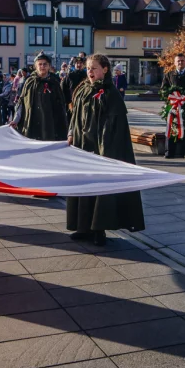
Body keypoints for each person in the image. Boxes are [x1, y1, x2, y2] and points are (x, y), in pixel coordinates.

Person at [66, 54, 145, 246]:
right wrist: (71, 133)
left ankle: (98, 230)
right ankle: (83, 227)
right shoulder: (83, 89)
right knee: (83, 187)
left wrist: (104, 149)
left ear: (105, 69)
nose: (90, 72)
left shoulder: (110, 93)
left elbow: (114, 125)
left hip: (101, 149)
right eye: (88, 68)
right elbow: (75, 116)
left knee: (100, 190)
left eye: (94, 68)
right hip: (82, 147)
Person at [11, 52, 67, 140]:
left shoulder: (54, 83)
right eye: (40, 64)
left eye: (45, 64)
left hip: (48, 125)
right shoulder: (29, 82)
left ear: (49, 66)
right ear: (36, 66)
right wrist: (16, 119)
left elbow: (61, 106)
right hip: (31, 123)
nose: (42, 66)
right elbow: (21, 101)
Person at [161, 53, 185, 159]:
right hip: (173, 107)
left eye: (182, 61)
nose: (180, 63)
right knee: (171, 128)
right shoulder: (169, 75)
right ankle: (169, 151)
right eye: (178, 61)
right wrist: (171, 97)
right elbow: (163, 89)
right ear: (174, 63)